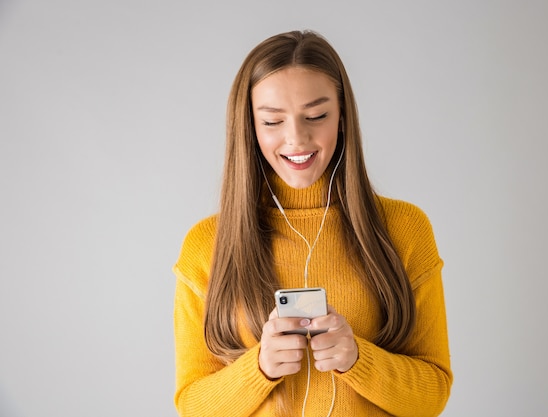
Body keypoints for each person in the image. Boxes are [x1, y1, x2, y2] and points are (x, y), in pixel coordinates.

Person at [173, 30, 453, 417]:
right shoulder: (207, 244)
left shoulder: (404, 229)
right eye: (272, 121)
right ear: (249, 128)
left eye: (316, 116)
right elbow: (192, 405)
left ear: (342, 117)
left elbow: (432, 395)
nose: (296, 139)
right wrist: (258, 370)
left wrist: (359, 359)